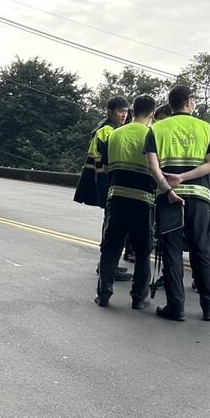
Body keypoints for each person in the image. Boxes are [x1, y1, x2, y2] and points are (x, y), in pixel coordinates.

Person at [144, 85, 210, 322]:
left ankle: (176, 307)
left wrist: (170, 187)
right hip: (198, 197)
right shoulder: (205, 128)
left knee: (172, 250)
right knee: (201, 250)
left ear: (170, 103)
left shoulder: (156, 129)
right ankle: (209, 307)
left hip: (169, 199)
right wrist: (186, 178)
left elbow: (152, 166)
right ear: (189, 102)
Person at [95, 95, 157, 308]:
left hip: (117, 198)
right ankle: (139, 298)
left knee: (110, 248)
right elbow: (159, 169)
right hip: (143, 201)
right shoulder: (153, 135)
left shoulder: (115, 134)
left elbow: (103, 167)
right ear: (152, 114)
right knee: (142, 251)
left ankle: (104, 294)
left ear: (132, 111)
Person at [73, 95, 132, 281]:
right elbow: (107, 163)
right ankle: (107, 267)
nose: (124, 115)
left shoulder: (110, 128)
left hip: (106, 183)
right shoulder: (107, 131)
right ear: (110, 112)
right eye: (120, 111)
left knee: (111, 225)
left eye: (126, 111)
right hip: (108, 183)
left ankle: (109, 265)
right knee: (111, 226)